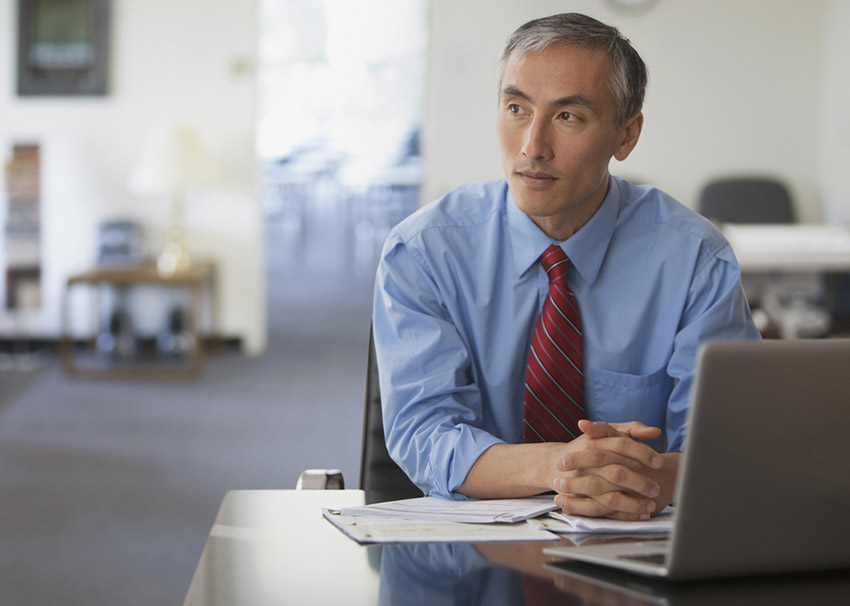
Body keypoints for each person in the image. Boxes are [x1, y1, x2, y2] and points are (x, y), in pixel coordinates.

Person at [372, 12, 759, 520]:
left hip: (641, 538)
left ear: (626, 135)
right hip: (472, 546)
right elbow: (425, 434)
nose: (532, 147)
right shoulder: (424, 252)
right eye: (516, 108)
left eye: (568, 116)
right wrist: (561, 465)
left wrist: (651, 477)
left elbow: (724, 448)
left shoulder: (694, 260)